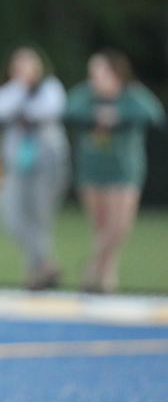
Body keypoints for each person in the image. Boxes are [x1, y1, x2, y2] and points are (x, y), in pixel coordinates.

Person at [65, 49, 165, 293]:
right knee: (100, 226)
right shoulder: (86, 95)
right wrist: (95, 115)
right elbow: (69, 109)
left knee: (119, 226)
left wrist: (119, 116)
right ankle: (107, 278)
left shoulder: (131, 94)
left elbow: (155, 114)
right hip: (92, 170)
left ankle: (92, 267)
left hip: (124, 171)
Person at [0, 46, 69, 290]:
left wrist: (22, 108)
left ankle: (35, 274)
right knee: (11, 216)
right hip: (16, 164)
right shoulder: (9, 90)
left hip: (47, 163)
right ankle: (45, 262)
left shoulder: (50, 88)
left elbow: (47, 110)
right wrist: (20, 87)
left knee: (39, 217)